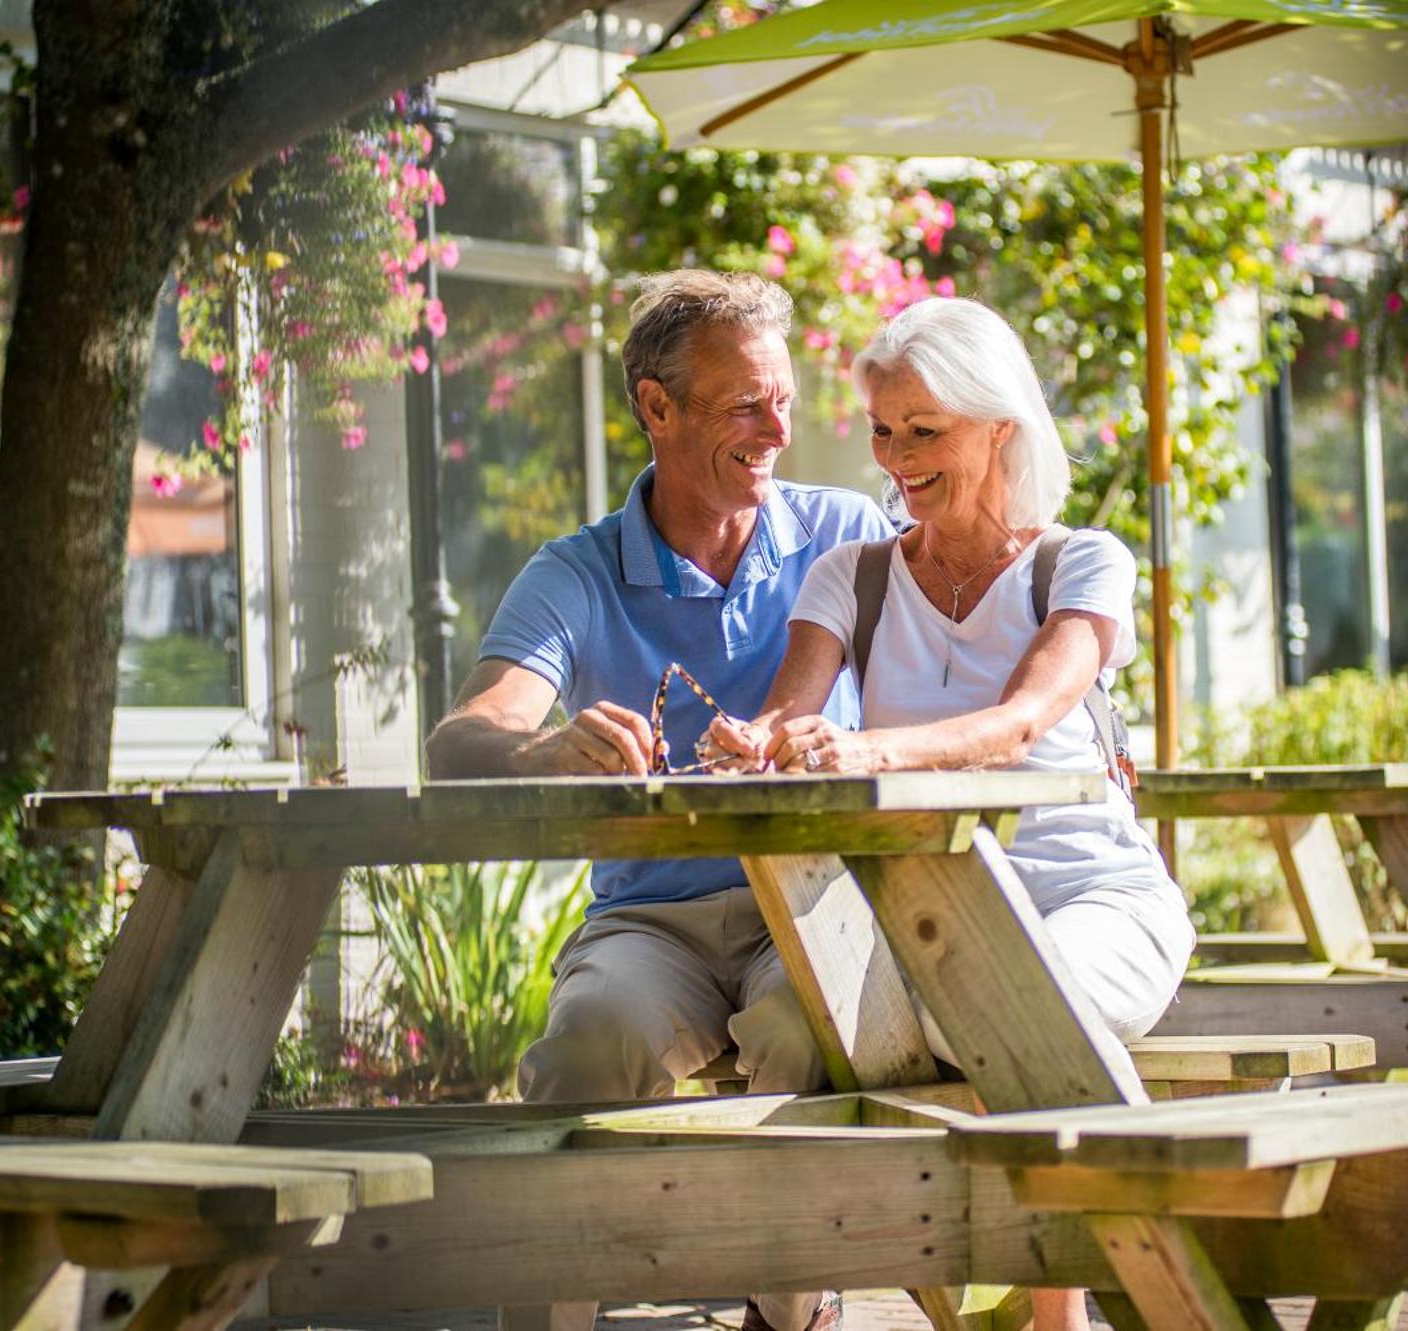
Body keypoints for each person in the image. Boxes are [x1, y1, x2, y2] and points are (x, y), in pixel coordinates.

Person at [709, 296, 1196, 1331]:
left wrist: (873, 747)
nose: (894, 456)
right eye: (883, 429)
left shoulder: (1081, 562)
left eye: (922, 429)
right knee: (815, 1021)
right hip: (931, 923)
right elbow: (784, 716)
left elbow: (1022, 719)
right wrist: (755, 742)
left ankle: (1057, 1309)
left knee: (1009, 1004)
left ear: (997, 427)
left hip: (1095, 900)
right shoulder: (853, 574)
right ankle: (846, 1298)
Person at [425, 269, 890, 1331]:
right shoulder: (575, 572)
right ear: (655, 406)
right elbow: (462, 737)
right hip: (652, 921)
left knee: (806, 1030)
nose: (778, 427)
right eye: (744, 404)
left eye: (782, 398)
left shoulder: (843, 530)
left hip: (807, 903)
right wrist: (541, 750)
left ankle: (789, 1311)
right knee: (588, 1037)